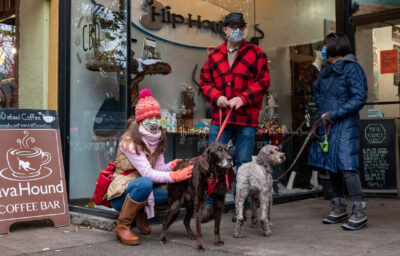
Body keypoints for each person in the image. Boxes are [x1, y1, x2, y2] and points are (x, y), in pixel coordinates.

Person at [199, 12, 270, 222]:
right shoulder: (214, 55)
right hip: (221, 119)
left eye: (241, 26)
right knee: (212, 162)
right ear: (226, 29)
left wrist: (243, 98)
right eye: (233, 26)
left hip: (246, 120)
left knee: (244, 164)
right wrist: (217, 96)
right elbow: (204, 82)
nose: (237, 30)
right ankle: (210, 205)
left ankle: (242, 208)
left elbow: (263, 81)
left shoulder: (256, 53)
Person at [106, 88, 193, 245]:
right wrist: (173, 176)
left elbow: (158, 169)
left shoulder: (158, 139)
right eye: (149, 117)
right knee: (146, 182)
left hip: (143, 188)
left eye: (156, 117)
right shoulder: (129, 141)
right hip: (122, 193)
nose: (154, 121)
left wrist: (172, 167)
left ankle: (140, 213)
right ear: (140, 120)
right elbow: (147, 173)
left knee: (174, 191)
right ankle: (123, 226)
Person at [308, 33, 368, 230]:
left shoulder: (353, 69)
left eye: (325, 45)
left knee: (347, 166)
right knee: (330, 165)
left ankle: (359, 210)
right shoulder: (327, 70)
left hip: (345, 123)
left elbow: (359, 98)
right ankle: (338, 207)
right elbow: (316, 90)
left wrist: (334, 113)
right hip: (328, 123)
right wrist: (322, 110)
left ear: (334, 47)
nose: (323, 49)